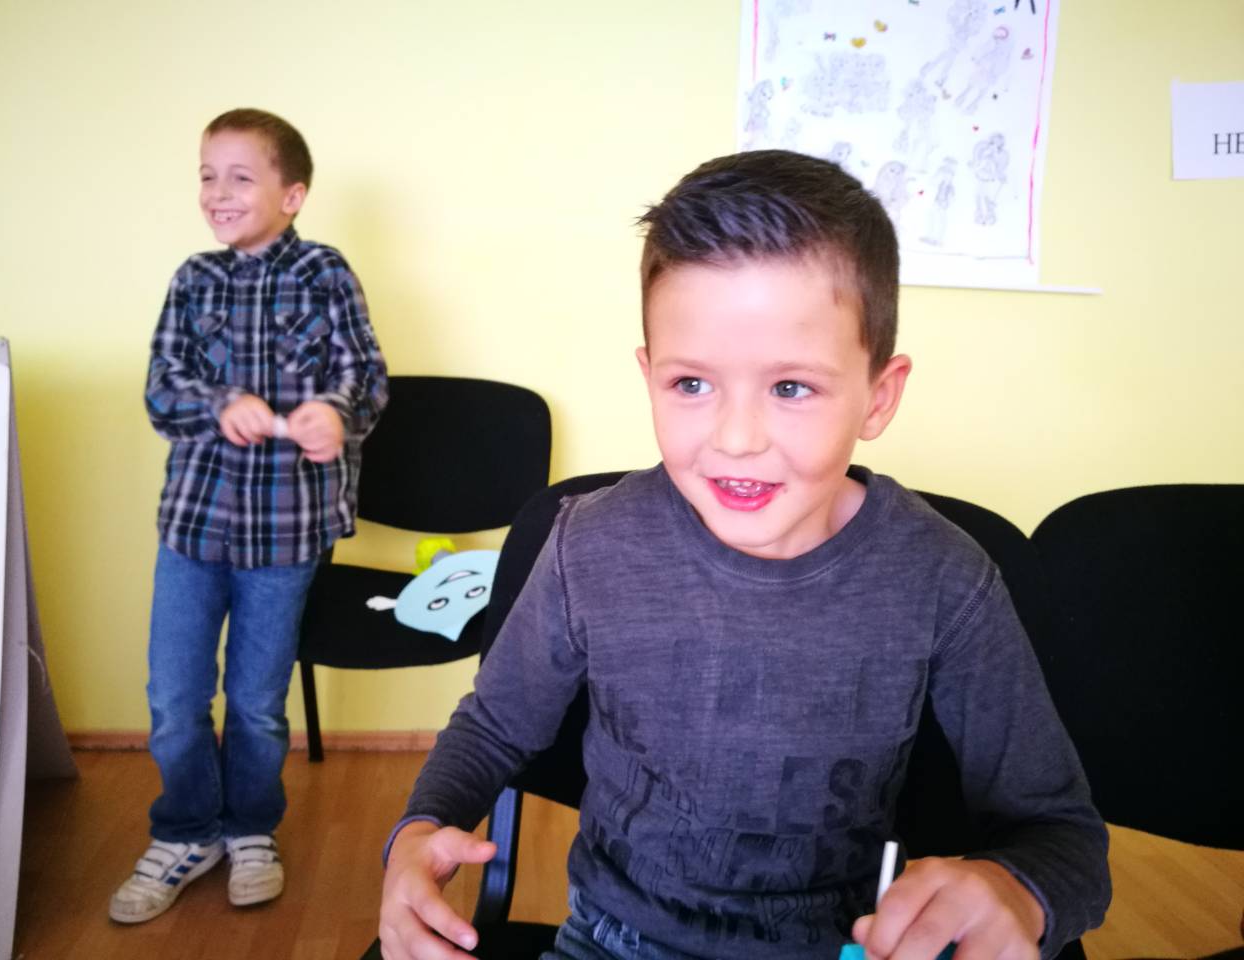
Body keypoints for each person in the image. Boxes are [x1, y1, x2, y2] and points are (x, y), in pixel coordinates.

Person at [377, 150, 1109, 960]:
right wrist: (416, 833)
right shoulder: (589, 543)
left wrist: (1018, 890)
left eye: (791, 388)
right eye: (692, 384)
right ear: (649, 375)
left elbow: (1063, 837)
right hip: (612, 942)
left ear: (879, 395)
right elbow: (493, 725)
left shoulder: (944, 579)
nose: (734, 439)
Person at [110, 108, 388, 924]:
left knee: (258, 703)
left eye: (240, 177)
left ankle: (251, 829)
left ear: (292, 195)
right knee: (174, 699)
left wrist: (336, 412)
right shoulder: (193, 279)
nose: (217, 193)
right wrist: (220, 402)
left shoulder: (326, 274)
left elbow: (366, 376)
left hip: (286, 533)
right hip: (193, 527)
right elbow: (161, 388)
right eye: (207, 175)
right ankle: (187, 830)